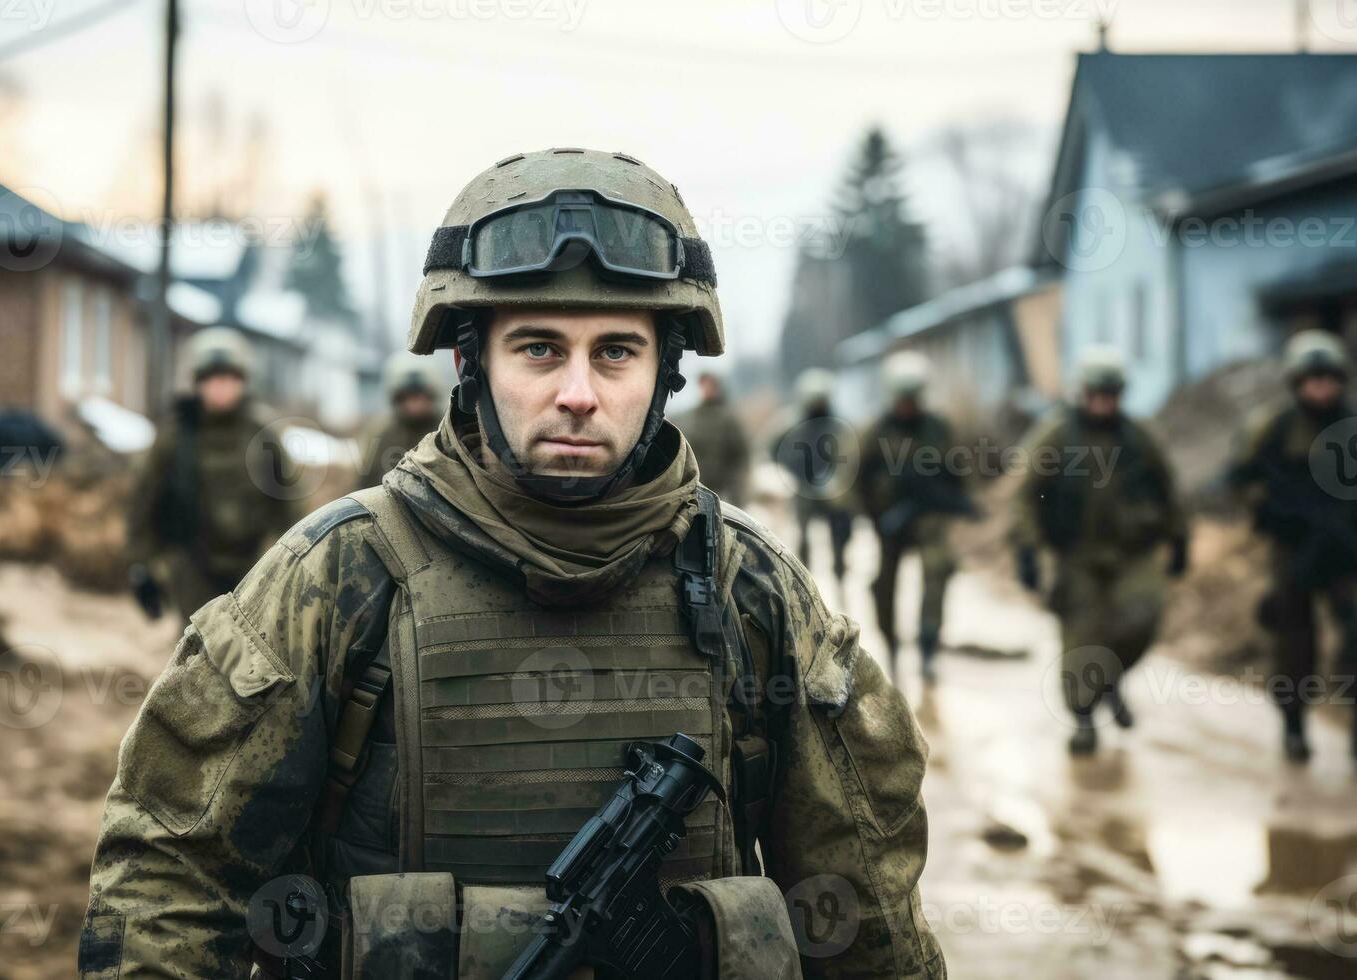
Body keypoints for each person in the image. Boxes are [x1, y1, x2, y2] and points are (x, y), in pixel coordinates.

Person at [81, 149, 943, 980]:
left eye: (616, 351)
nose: (578, 391)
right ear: (471, 363)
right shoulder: (338, 578)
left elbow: (864, 909)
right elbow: (173, 878)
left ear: (664, 372)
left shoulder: (750, 586)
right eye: (538, 348)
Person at [1011, 346, 1187, 755]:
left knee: (1144, 616)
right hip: (1077, 554)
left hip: (1131, 552)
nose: (1104, 403)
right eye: (1096, 394)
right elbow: (1024, 495)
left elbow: (1168, 489)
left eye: (1111, 395)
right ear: (1082, 393)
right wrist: (1027, 549)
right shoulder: (1056, 435)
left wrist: (1179, 538)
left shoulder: (1139, 437)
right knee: (1082, 638)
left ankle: (1111, 678)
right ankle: (1084, 719)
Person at [1229, 329, 1357, 763]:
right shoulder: (1274, 427)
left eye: (1329, 379)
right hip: (1293, 549)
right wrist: (1268, 510)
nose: (1321, 389)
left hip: (1347, 550)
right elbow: (1240, 478)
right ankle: (1294, 725)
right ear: (1296, 383)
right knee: (1294, 639)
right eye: (1312, 380)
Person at [124, 327, 299, 624]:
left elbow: (289, 500)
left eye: (229, 380)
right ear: (199, 384)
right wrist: (141, 565)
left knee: (254, 647)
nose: (221, 388)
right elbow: (145, 499)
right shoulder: (177, 434)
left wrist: (296, 558)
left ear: (242, 382)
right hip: (192, 561)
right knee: (199, 645)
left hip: (253, 560)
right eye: (213, 380)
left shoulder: (262, 432)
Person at [859, 351, 974, 682]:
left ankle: (928, 648)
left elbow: (957, 473)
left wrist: (950, 500)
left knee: (938, 571)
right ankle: (891, 646)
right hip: (889, 523)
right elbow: (855, 479)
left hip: (929, 520)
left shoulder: (938, 429)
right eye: (902, 398)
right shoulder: (876, 431)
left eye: (913, 398)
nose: (908, 405)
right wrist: (871, 516)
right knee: (883, 586)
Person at [775, 369, 859, 593]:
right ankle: (804, 578)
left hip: (834, 489)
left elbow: (850, 452)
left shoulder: (838, 424)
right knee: (803, 536)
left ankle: (840, 573)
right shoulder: (792, 424)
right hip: (805, 487)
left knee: (840, 533)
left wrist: (840, 479)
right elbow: (773, 445)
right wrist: (790, 469)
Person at [355, 356, 443, 487]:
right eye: (409, 397)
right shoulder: (382, 434)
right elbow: (366, 480)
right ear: (399, 399)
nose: (415, 404)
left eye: (420, 396)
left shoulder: (445, 430)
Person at [674, 370, 751, 504]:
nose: (706, 389)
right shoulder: (691, 418)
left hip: (722, 490)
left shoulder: (729, 419)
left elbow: (740, 457)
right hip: (695, 487)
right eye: (703, 385)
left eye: (710, 385)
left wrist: (737, 495)